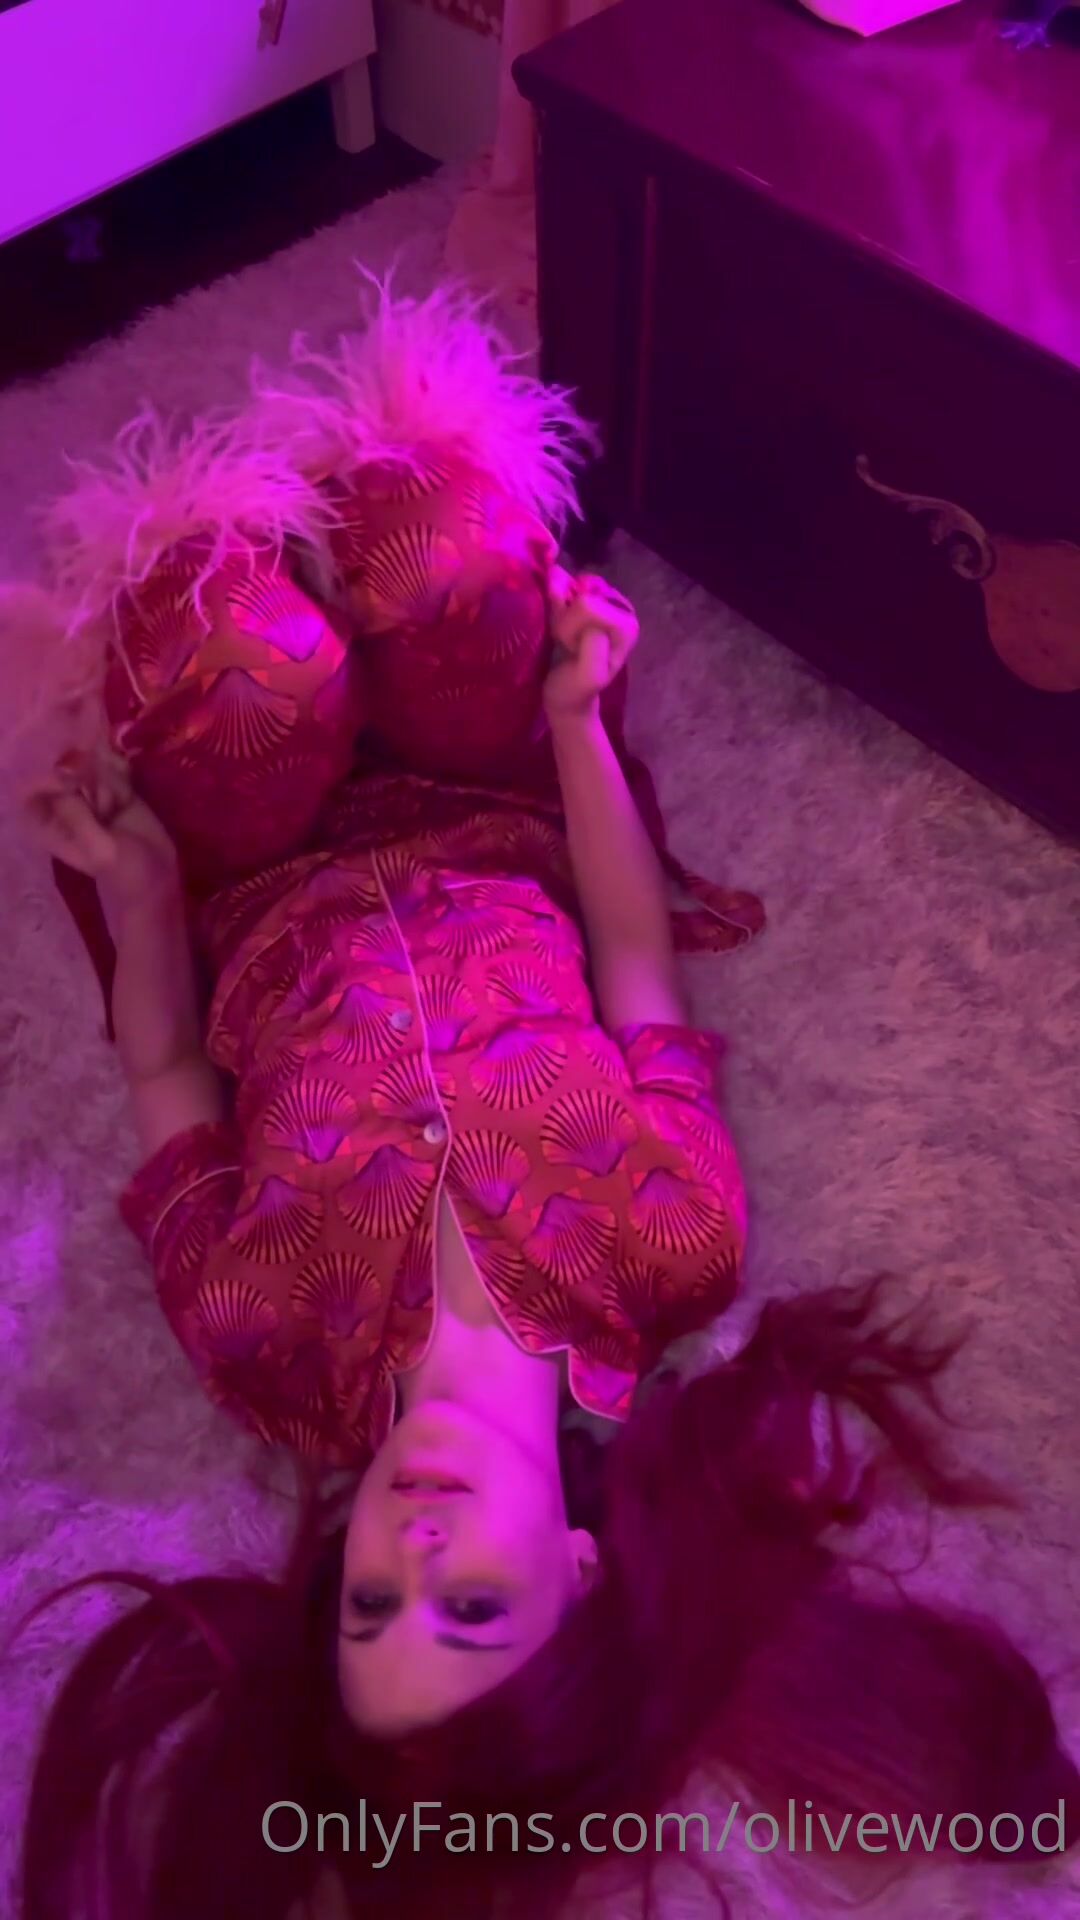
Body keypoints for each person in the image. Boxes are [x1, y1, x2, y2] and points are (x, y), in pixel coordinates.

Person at [19, 565, 1080, 1920]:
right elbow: (635, 964)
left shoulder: (266, 1345)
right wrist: (579, 718)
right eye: (469, 1607)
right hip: (493, 806)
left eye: (370, 1603)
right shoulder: (672, 1246)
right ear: (579, 1577)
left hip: (256, 867)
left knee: (230, 647)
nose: (414, 1545)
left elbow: (167, 1070)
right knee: (444, 566)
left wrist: (141, 885)